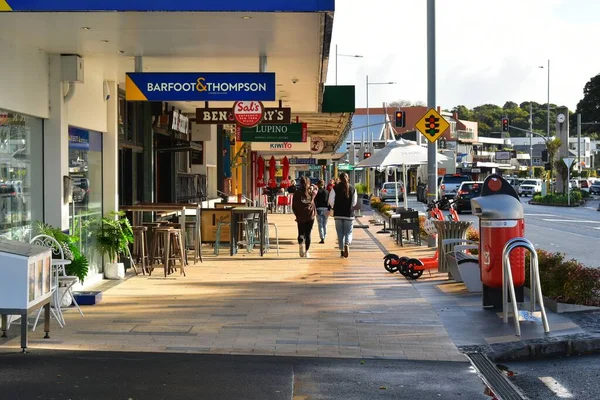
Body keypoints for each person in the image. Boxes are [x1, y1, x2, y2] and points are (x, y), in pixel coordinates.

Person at [328, 172, 357, 258]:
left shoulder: (335, 188)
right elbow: (354, 203)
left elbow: (331, 201)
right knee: (348, 232)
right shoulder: (353, 188)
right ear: (348, 178)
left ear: (339, 179)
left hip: (338, 214)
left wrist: (335, 206)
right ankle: (347, 244)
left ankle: (341, 251)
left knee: (340, 233)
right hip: (349, 214)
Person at [292, 176, 317, 258]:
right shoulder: (311, 192)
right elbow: (317, 189)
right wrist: (312, 186)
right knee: (308, 233)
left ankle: (300, 244)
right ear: (308, 183)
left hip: (300, 215)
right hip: (310, 216)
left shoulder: (297, 193)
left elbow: (294, 206)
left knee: (300, 232)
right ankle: (307, 252)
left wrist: (297, 214)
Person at [314, 180, 330, 244]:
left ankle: (322, 238)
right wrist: (329, 209)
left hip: (318, 209)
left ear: (318, 185)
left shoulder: (317, 192)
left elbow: (315, 201)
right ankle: (324, 236)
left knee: (320, 225)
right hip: (326, 209)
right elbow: (329, 201)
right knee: (325, 224)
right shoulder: (327, 192)